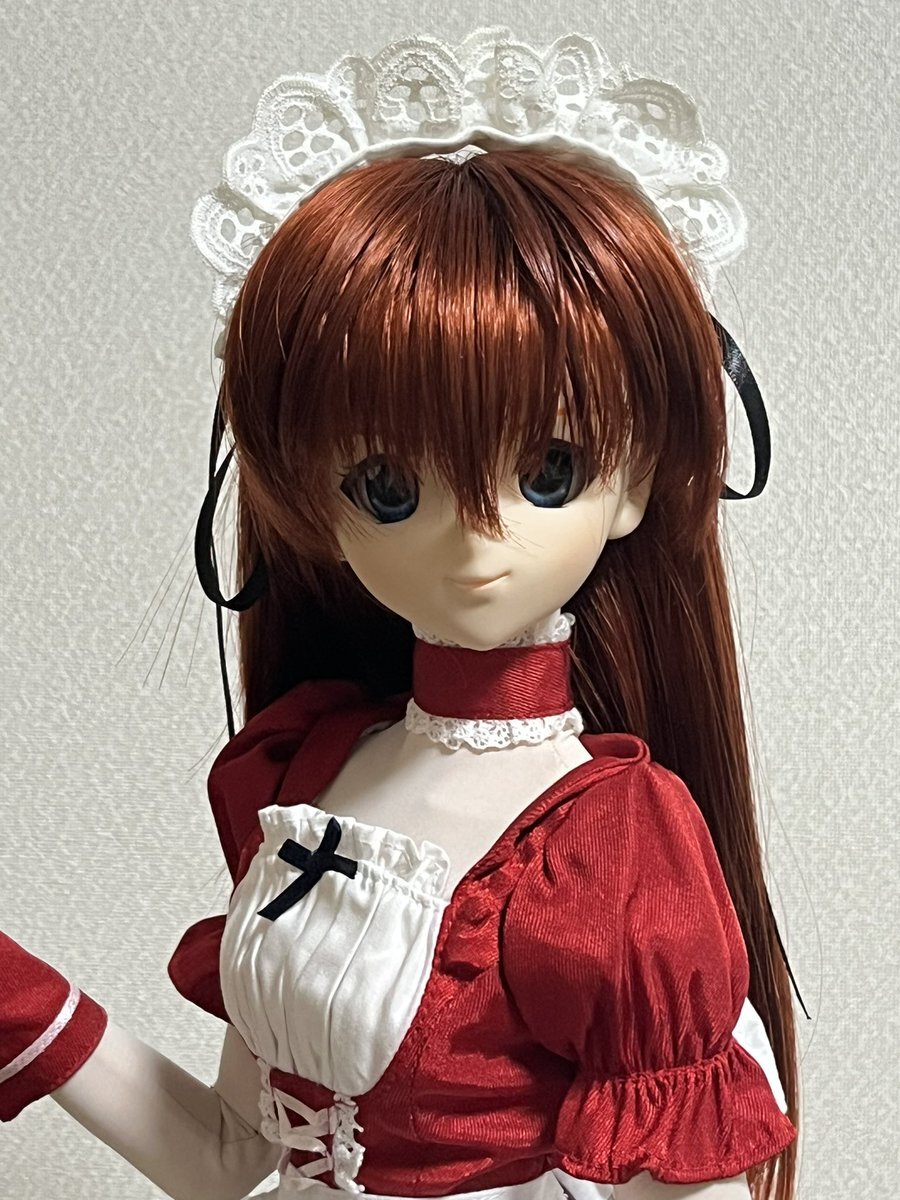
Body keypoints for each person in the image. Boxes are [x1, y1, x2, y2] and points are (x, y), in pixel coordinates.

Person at [0, 27, 801, 1200]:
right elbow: (226, 1158)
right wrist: (27, 1002)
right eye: (389, 486)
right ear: (313, 503)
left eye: (549, 472)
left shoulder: (617, 844)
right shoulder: (309, 769)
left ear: (636, 483)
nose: (474, 536)